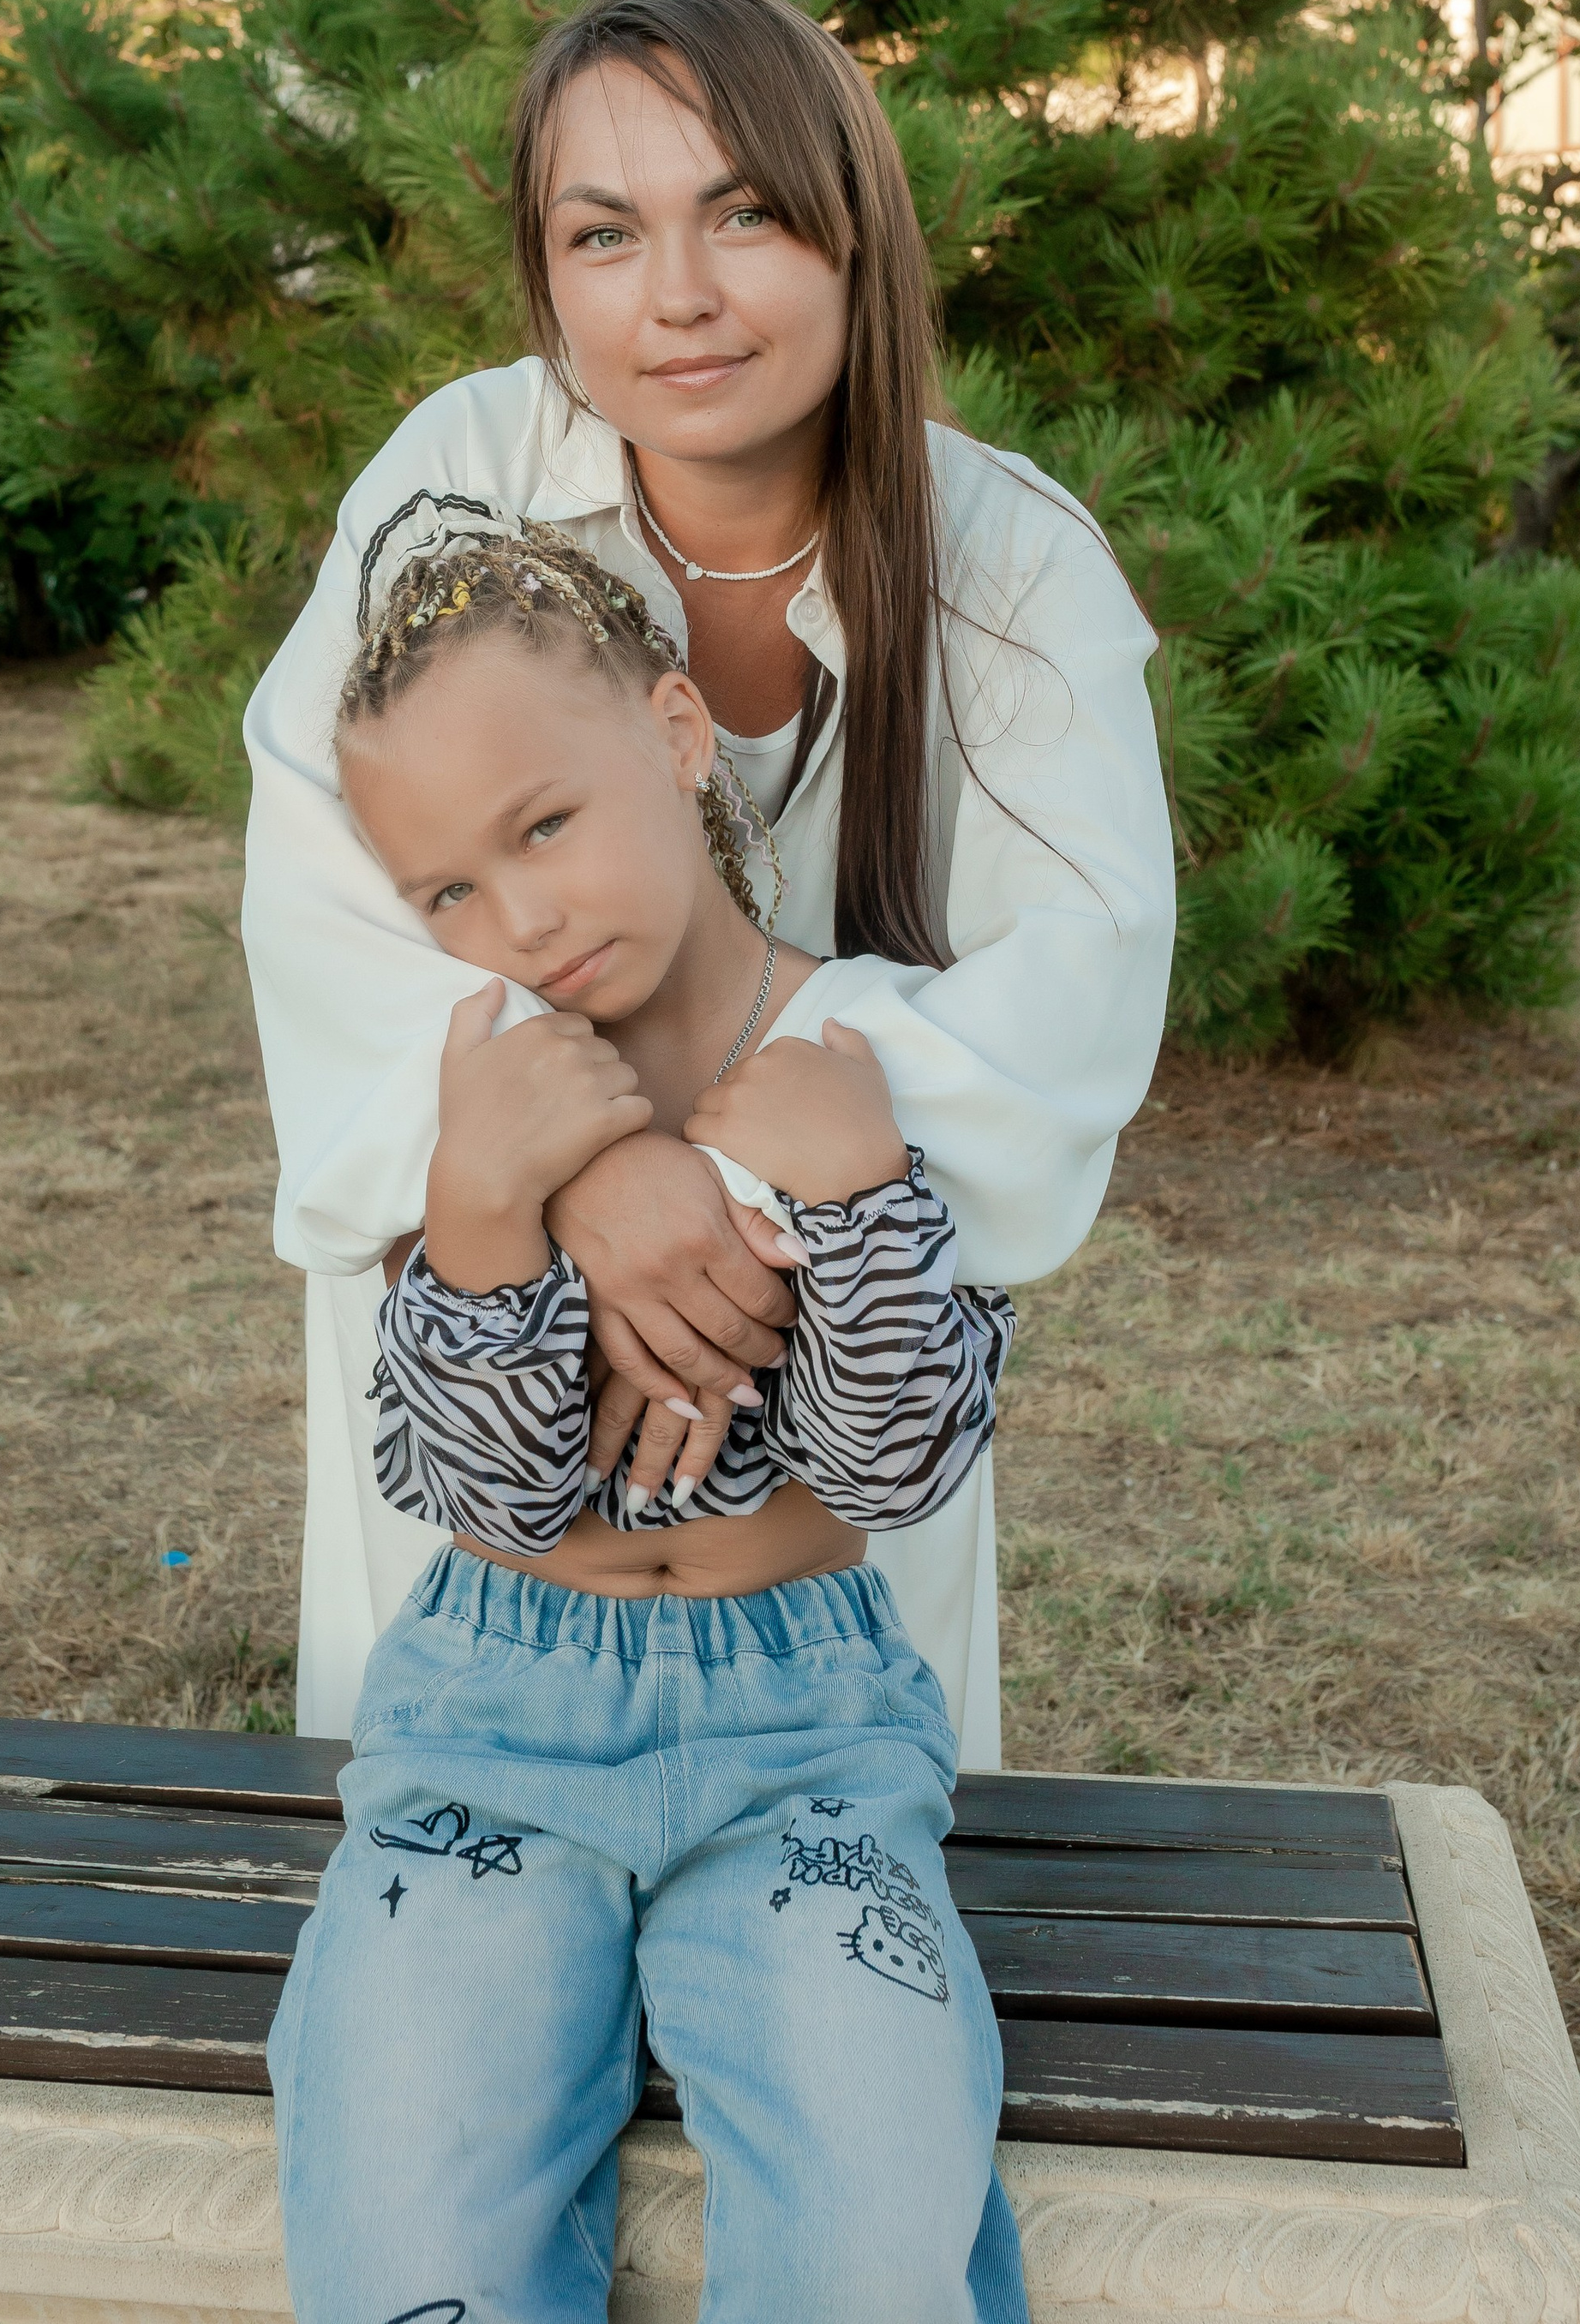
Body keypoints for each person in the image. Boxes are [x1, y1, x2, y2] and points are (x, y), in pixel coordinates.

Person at [242, 0, 1176, 1762]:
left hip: (829, 1352)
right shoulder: (459, 481)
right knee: (466, 1920)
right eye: (603, 234)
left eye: (739, 212)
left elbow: (1068, 996)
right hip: (500, 1296)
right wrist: (566, 1167)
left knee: (828, 1921)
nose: (675, 295)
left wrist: (744, 1197)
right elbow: (327, 886)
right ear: (546, 277)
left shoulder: (1012, 561)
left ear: (851, 233)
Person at [268, 512, 1027, 2324]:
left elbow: (892, 1466)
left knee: (872, 2220)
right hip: (489, 1722)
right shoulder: (477, 1084)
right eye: (447, 890)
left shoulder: (881, 1055)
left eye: (542, 825)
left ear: (680, 739)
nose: (516, 918)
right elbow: (490, 1496)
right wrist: (473, 1222)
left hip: (808, 1735)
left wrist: (857, 1210)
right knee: (401, 2216)